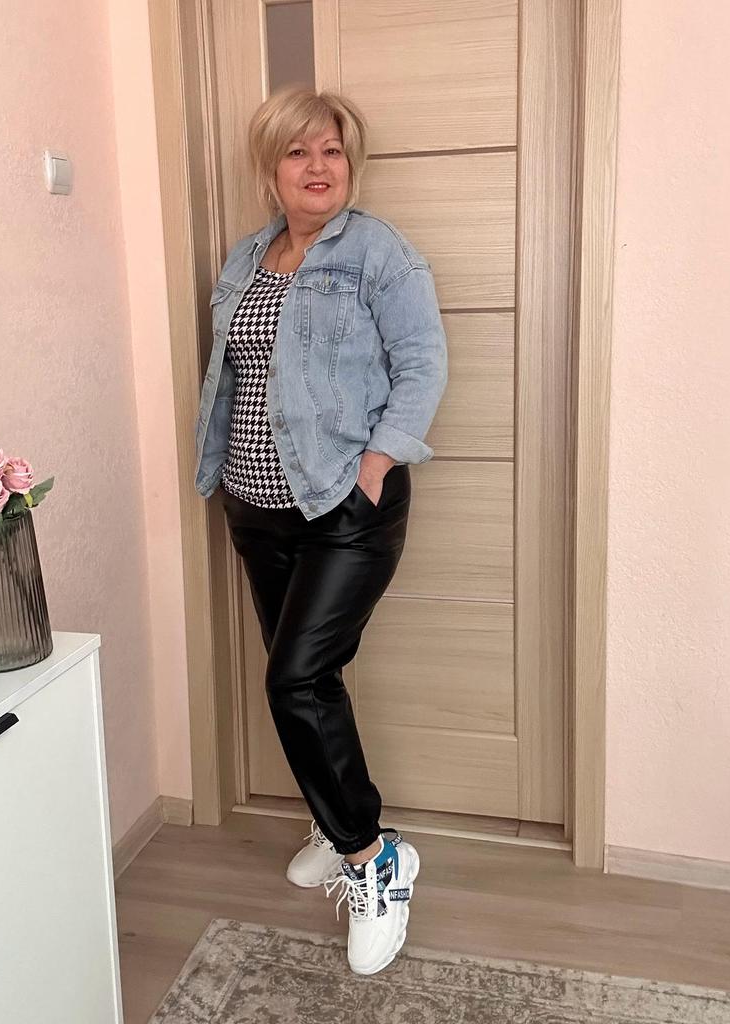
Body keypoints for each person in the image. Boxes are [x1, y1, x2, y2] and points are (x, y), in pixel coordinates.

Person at [194, 85, 448, 975]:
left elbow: (422, 363)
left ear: (350, 163)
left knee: (294, 678)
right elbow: (236, 376)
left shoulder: (378, 252)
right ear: (270, 168)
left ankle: (373, 859)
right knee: (305, 677)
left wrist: (375, 465)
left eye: (331, 150)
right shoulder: (247, 257)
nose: (316, 166)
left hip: (343, 507)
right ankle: (330, 819)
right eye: (297, 152)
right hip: (254, 506)